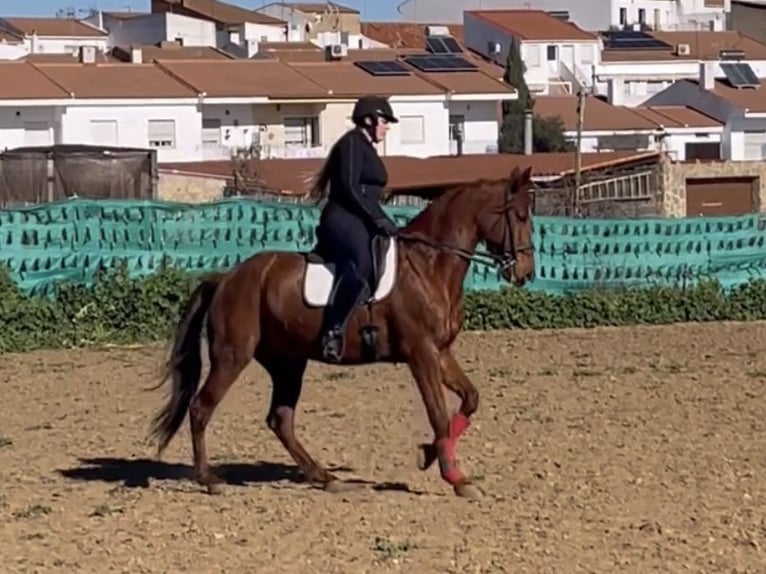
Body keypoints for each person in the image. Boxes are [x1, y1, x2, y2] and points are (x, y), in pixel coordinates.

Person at [309, 95, 400, 363]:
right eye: (384, 121)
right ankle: (333, 330)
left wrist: (380, 218)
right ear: (369, 120)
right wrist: (377, 217)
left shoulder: (368, 147)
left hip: (361, 217)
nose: (386, 127)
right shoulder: (351, 144)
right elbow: (349, 188)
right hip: (342, 217)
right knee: (361, 265)